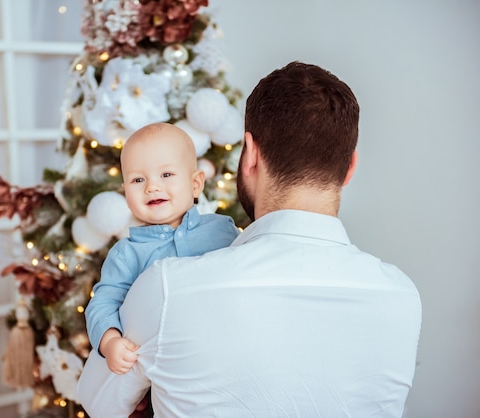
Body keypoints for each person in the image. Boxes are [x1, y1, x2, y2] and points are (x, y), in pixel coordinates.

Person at [77, 62, 422, 417]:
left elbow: (99, 402)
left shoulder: (166, 287)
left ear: (250, 154)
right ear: (350, 167)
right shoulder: (403, 297)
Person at [84, 122, 241, 375]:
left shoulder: (223, 230)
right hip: (166, 368)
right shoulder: (127, 253)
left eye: (166, 175)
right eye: (138, 179)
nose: (152, 187)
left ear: (196, 183)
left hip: (227, 353)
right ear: (125, 193)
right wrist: (111, 342)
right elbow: (103, 304)